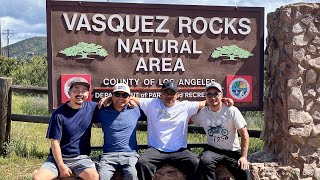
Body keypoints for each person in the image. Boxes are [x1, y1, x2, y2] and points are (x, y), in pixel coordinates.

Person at [99, 81, 233, 180]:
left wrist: (221, 100)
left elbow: (205, 102)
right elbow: (129, 97)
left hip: (179, 150)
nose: (169, 96)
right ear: (161, 94)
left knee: (196, 163)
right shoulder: (151, 103)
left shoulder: (186, 106)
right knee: (142, 163)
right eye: (166, 92)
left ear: (177, 95)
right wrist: (110, 98)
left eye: (172, 93)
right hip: (156, 149)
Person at [34, 78, 99, 180]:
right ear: (69, 93)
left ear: (87, 94)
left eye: (83, 91)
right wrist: (61, 166)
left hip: (80, 157)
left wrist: (133, 100)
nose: (80, 93)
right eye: (76, 90)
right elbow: (55, 142)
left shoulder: (91, 107)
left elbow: (114, 103)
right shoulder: (59, 114)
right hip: (58, 158)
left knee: (93, 177)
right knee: (38, 178)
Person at [190, 81, 250, 180]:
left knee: (244, 171)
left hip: (233, 151)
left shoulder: (232, 110)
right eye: (209, 94)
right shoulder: (203, 113)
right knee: (204, 162)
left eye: (215, 94)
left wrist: (243, 157)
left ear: (221, 95)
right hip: (213, 150)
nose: (212, 97)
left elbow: (244, 135)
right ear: (205, 96)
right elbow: (186, 120)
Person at [94, 83, 142, 180]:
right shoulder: (102, 111)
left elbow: (154, 104)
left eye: (124, 95)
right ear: (112, 96)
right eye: (117, 94)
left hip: (130, 155)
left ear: (129, 98)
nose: (120, 98)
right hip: (108, 156)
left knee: (133, 175)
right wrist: (106, 98)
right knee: (102, 177)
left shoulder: (136, 110)